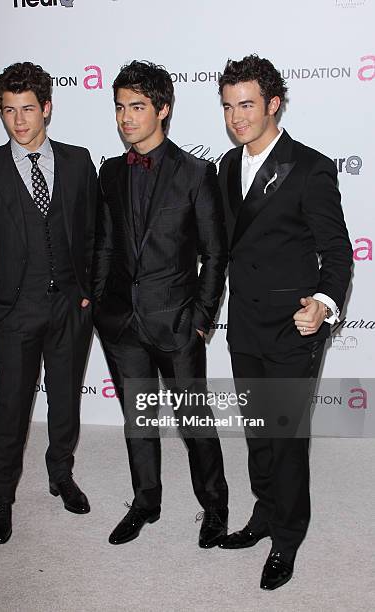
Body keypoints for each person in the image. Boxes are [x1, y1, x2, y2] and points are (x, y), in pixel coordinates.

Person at [216, 54, 353, 589]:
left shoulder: (310, 166)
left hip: (293, 326)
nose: (236, 118)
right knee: (256, 431)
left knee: (286, 437)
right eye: (228, 107)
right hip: (244, 325)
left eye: (246, 105)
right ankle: (265, 512)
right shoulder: (227, 166)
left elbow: (337, 251)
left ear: (273, 104)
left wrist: (324, 302)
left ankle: (288, 538)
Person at [0, 62, 96, 544]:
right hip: (14, 309)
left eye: (27, 109)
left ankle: (61, 474)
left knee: (66, 399)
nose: (18, 121)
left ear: (46, 108)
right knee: (11, 403)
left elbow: (96, 233)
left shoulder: (77, 161)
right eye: (8, 111)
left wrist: (91, 291)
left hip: (70, 307)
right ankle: (1, 494)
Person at [92, 60, 228, 547]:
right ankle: (146, 501)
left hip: (176, 323)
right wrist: (100, 307)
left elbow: (215, 253)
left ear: (163, 109)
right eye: (120, 107)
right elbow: (105, 244)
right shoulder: (110, 171)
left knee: (194, 422)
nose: (126, 117)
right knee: (138, 420)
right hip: (121, 323)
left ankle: (214, 507)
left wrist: (202, 320)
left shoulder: (196, 173)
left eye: (137, 107)